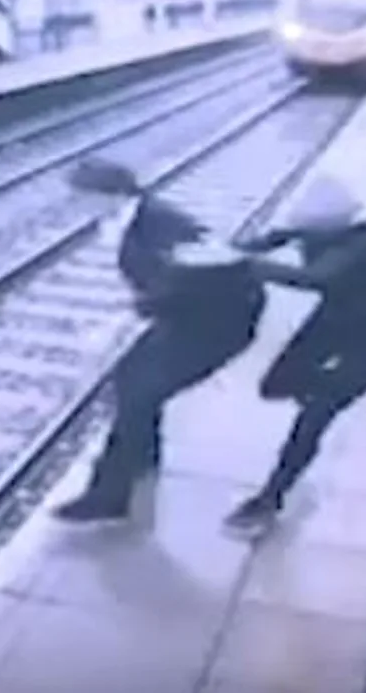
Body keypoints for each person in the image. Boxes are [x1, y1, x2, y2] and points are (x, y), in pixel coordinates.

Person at [52, 157, 268, 525]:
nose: (76, 207)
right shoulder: (132, 218)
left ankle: (109, 496)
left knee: (139, 394)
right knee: (130, 380)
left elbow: (190, 281)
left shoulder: (162, 226)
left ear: (110, 194)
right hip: (188, 316)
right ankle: (142, 459)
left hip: (219, 326)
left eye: (81, 198)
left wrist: (124, 317)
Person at [222, 173, 366, 539]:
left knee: (315, 415)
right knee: (274, 385)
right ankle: (322, 394)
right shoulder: (326, 226)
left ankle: (270, 497)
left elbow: (316, 277)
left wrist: (249, 268)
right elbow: (275, 238)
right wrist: (231, 251)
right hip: (338, 318)